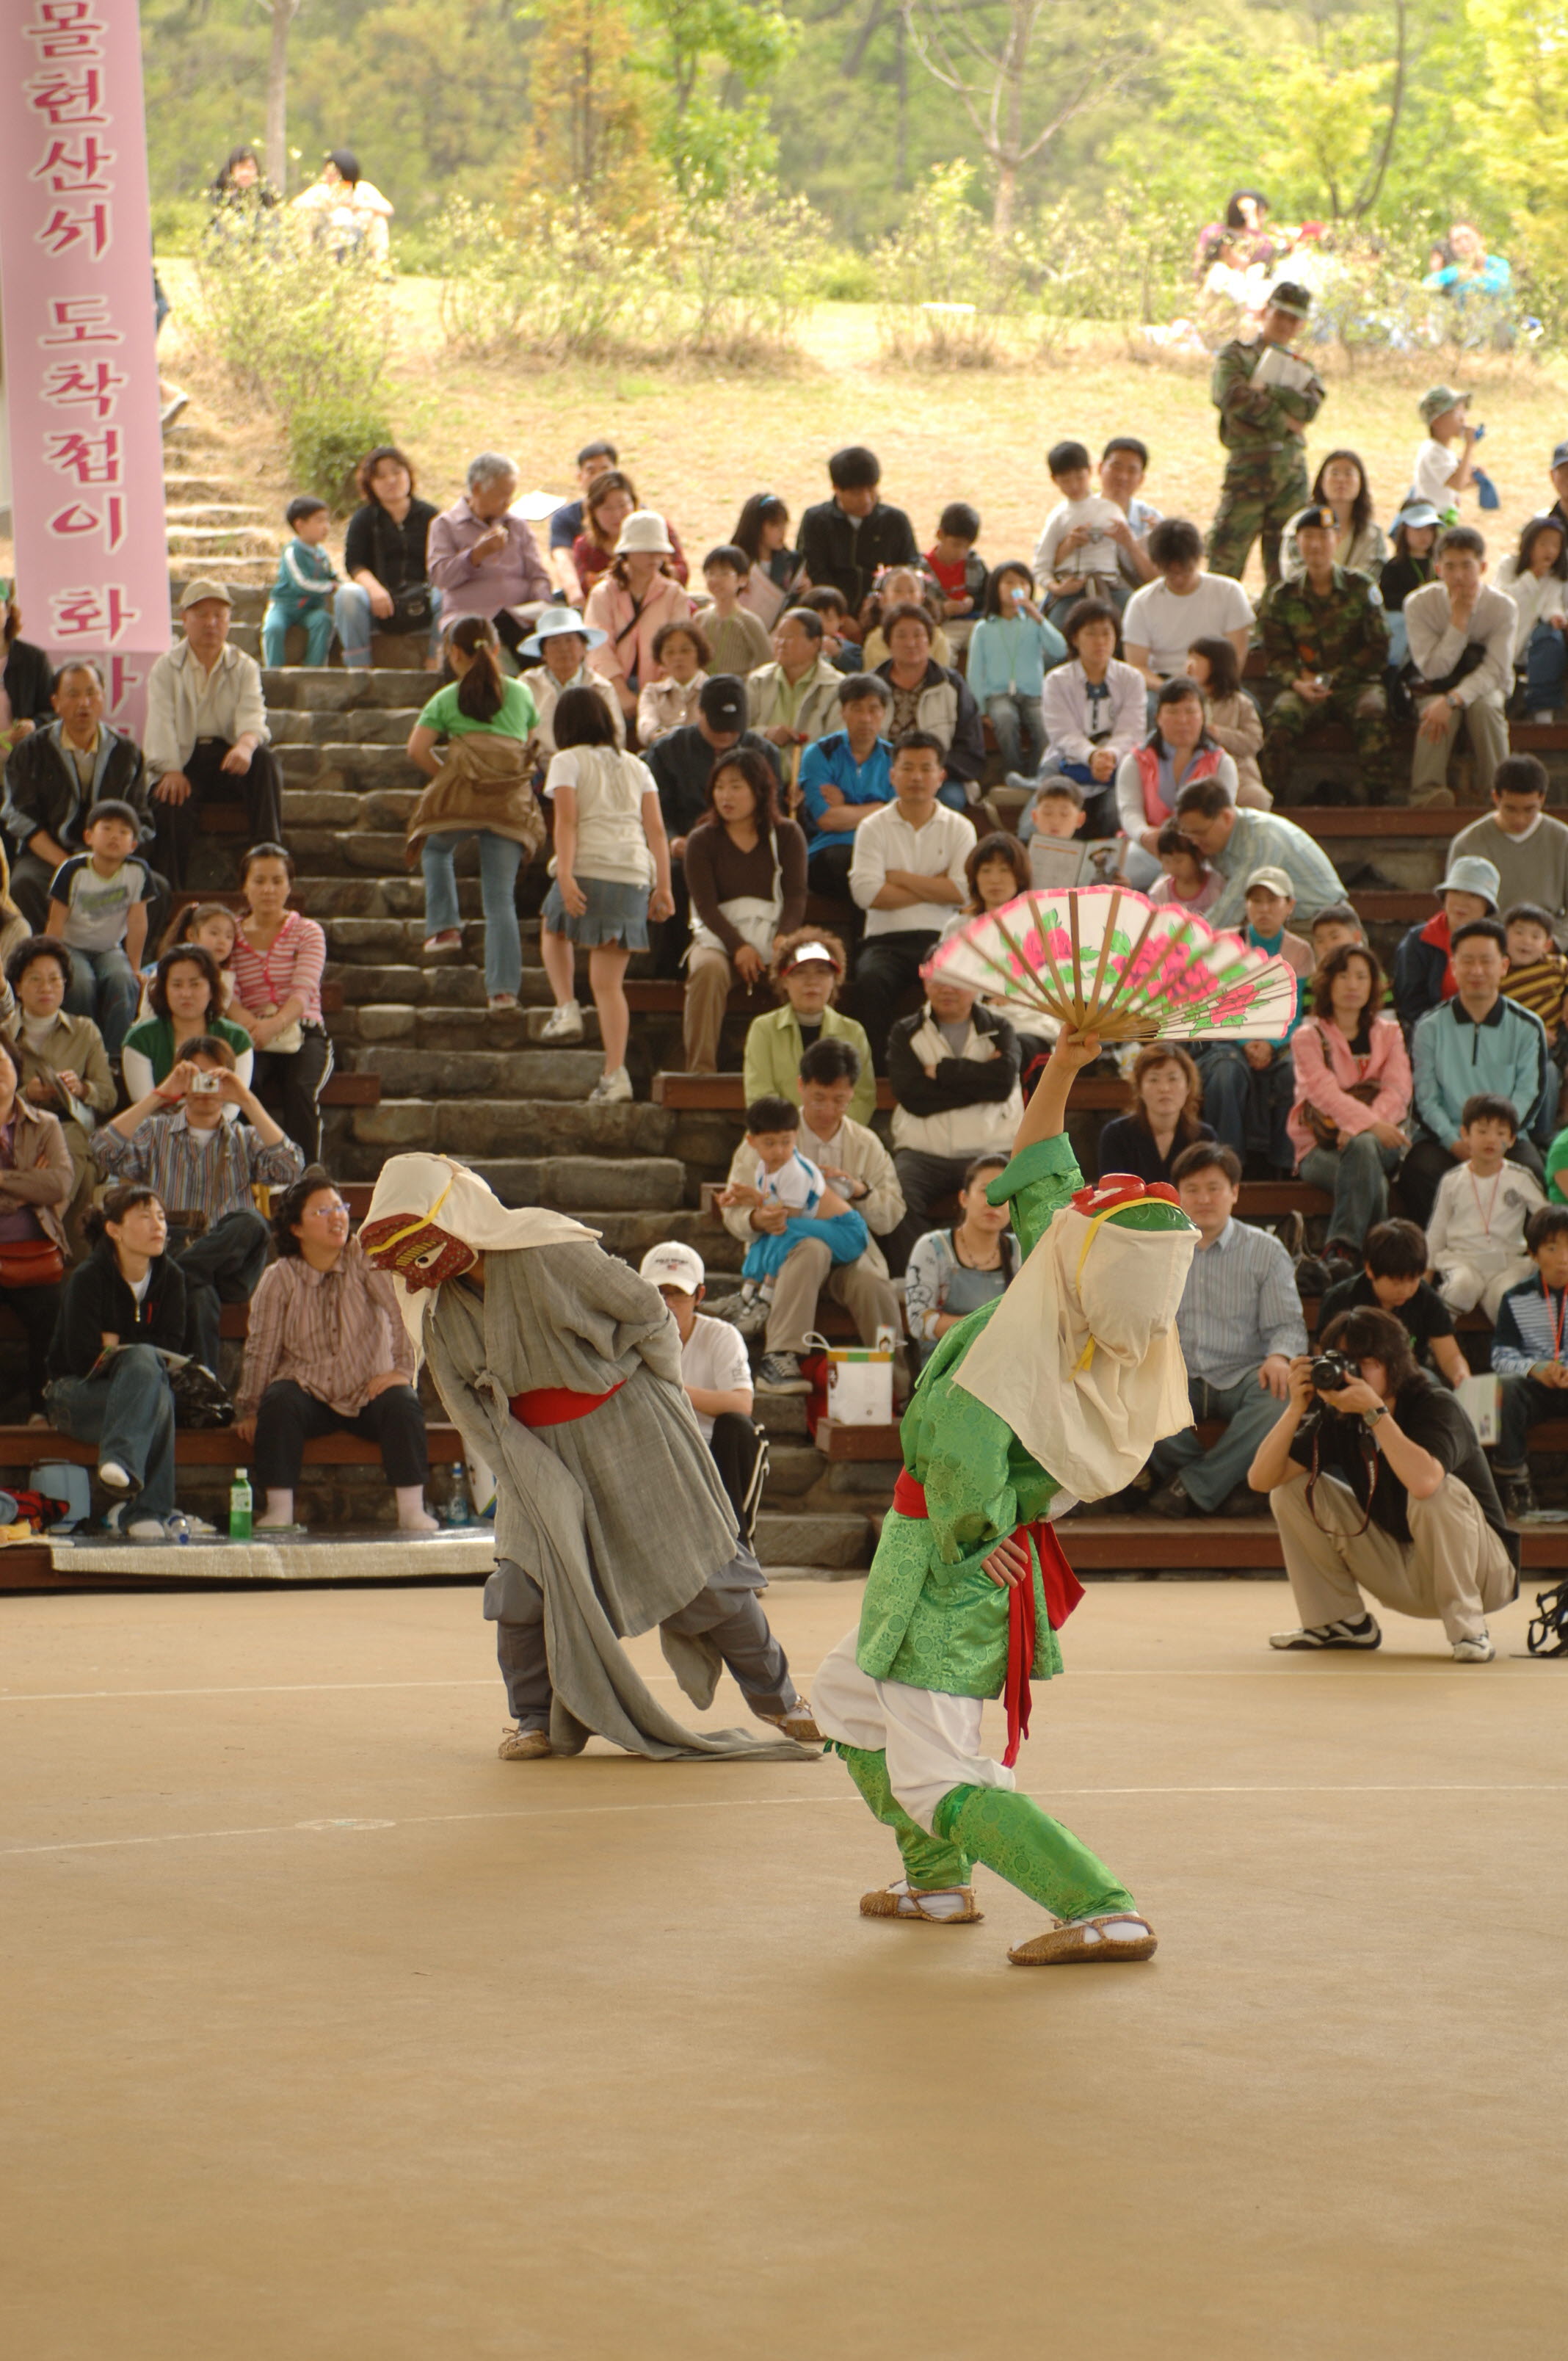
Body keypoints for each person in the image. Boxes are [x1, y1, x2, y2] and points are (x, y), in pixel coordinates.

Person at [810, 1034, 1194, 1964]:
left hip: (958, 1559)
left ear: (1086, 1249)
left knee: (941, 1774)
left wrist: (980, 1542)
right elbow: (1039, 1166)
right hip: (954, 1547)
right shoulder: (1093, 1307)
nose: (1060, 1216)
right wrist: (1065, 1060)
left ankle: (1100, 1906)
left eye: (1078, 1218)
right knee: (845, 1699)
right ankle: (938, 1884)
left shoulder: (1024, 1348)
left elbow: (964, 1483)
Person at [360, 1154, 820, 1759]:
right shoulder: (441, 1309)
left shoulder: (548, 1248)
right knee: (521, 1585)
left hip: (630, 1427)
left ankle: (783, 1701)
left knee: (705, 1577)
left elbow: (650, 1313)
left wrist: (664, 1407)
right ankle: (534, 1719)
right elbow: (465, 1401)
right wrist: (516, 1466)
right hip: (535, 1453)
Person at [1251, 1306, 1514, 1664]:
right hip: (1407, 1570)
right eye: (1345, 1360)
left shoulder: (1435, 1404)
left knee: (1435, 1492)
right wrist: (1296, 1407)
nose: (1356, 1372)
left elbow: (1424, 1483)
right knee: (1292, 1490)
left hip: (1483, 1575)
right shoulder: (1339, 1416)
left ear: (1396, 1362)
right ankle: (1339, 1623)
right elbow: (1262, 1480)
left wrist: (1376, 1414)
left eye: (1369, 1361)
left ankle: (1469, 1629)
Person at [234, 1168, 434, 1536]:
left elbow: (399, 1310)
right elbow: (261, 1348)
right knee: (277, 1401)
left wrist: (402, 1371)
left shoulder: (365, 1257)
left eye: (339, 1207)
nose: (337, 1217)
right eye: (322, 1211)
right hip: (308, 1391)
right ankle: (279, 1511)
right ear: (296, 1228)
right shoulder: (279, 1278)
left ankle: (411, 1511)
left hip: (366, 1389)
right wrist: (250, 1408)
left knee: (402, 1402)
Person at [94, 1035, 305, 1373]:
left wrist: (247, 1100)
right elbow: (103, 1149)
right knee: (199, 1294)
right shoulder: (156, 1132)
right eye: (197, 1076)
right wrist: (161, 1094)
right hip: (173, 1248)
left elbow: (292, 1167)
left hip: (231, 1266)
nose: (206, 1086)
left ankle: (166, 1279)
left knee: (251, 1220)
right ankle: (204, 1393)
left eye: (215, 1077)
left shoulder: (244, 1137)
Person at [1144, 1140, 1307, 1517]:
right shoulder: (1157, 1250)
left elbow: (1286, 1324)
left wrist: (1280, 1357)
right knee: (1131, 1390)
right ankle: (1219, 1483)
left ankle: (1190, 1486)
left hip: (1243, 1374)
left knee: (1281, 1395)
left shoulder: (1265, 1250)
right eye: (1193, 1190)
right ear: (1177, 1196)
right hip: (1177, 1374)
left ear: (1234, 1192)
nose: (1204, 1199)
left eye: (1214, 1188)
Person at [537, 687, 673, 1103]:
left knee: (552, 929)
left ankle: (566, 1008)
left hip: (589, 865)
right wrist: (663, 886)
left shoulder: (566, 760)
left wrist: (564, 872)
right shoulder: (637, 765)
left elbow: (567, 822)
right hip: (632, 874)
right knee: (609, 984)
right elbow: (656, 830)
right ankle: (616, 1075)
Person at [405, 617, 540, 1017]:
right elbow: (531, 742)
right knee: (500, 900)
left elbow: (416, 749)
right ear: (498, 650)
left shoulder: (447, 697)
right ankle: (502, 993)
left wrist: (449, 777)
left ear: (454, 654)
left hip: (463, 800)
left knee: (434, 846)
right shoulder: (521, 693)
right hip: (509, 807)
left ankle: (445, 927)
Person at [44, 1184, 190, 1539]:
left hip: (132, 1398)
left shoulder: (172, 1278)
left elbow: (173, 1344)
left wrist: (117, 1345)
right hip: (75, 1395)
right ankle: (144, 1507)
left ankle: (127, 1480)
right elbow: (81, 1358)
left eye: (161, 1216)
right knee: (147, 1372)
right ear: (114, 1230)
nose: (158, 1225)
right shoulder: (88, 1279)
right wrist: (134, 1354)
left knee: (154, 1386)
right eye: (144, 1217)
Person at [1401, 918, 1553, 1225]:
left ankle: (1513, 1262)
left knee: (1532, 1174)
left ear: (1504, 966)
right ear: (1453, 967)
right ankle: (1444, 1256)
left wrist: (1496, 1139)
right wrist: (1455, 1141)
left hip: (1506, 1139)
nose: (1477, 971)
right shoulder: (1430, 1027)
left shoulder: (1527, 1026)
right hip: (1447, 1139)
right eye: (1467, 961)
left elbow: (1530, 1093)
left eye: (1486, 961)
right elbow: (1425, 1098)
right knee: (1418, 1171)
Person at [142, 582, 284, 892]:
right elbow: (160, 723)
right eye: (202, 615)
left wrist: (246, 746)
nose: (211, 623)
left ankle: (269, 862)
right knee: (169, 802)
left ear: (229, 620)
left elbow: (253, 713)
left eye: (219, 615)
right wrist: (170, 769)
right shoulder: (166, 667)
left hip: (228, 758)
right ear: (184, 618)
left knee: (265, 762)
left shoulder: (243, 665)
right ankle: (170, 893)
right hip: (184, 760)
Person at [849, 735, 976, 1068]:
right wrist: (938, 884)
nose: (916, 777)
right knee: (869, 982)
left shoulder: (960, 827)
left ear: (941, 776)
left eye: (925, 768)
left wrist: (900, 878)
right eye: (907, 768)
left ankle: (946, 1070)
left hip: (940, 939)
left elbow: (963, 892)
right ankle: (876, 1076)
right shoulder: (872, 827)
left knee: (955, 982)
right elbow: (866, 894)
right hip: (883, 942)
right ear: (892, 775)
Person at [1, 660, 155, 932]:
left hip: (110, 857)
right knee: (23, 885)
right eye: (73, 695)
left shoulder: (126, 752)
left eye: (91, 693)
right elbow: (19, 816)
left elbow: (139, 818)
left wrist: (105, 860)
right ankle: (47, 959)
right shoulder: (31, 750)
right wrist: (68, 864)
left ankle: (117, 958)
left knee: (156, 888)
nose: (84, 703)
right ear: (56, 702)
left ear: (103, 698)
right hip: (48, 857)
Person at [681, 750, 807, 1075]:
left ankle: (797, 1072)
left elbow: (795, 897)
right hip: (720, 939)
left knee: (804, 972)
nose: (726, 796)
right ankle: (701, 1071)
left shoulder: (788, 835)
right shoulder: (701, 840)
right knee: (706, 970)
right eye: (720, 787)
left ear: (759, 790)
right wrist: (738, 947)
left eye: (736, 786)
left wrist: (783, 939)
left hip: (773, 934)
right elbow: (705, 906)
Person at [886, 973, 1023, 1273]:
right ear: (924, 981)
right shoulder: (905, 1031)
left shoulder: (1000, 1027)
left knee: (1024, 1195)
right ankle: (923, 1278)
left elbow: (1002, 1083)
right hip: (924, 1153)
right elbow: (913, 1097)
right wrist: (980, 1082)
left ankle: (1004, 1281)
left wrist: (944, 1073)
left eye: (957, 979)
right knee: (896, 1195)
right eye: (938, 980)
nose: (947, 989)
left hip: (991, 1150)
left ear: (976, 982)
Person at [1257, 504, 1393, 803]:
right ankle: (1274, 803)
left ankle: (1378, 802)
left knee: (1373, 711)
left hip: (1355, 684)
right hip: (1305, 687)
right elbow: (1276, 655)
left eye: (1323, 536)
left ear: (1337, 539)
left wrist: (1333, 678)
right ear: (1298, 542)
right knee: (1282, 716)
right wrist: (1297, 682)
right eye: (1307, 537)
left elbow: (1379, 647)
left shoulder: (1361, 587)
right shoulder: (1282, 596)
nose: (1315, 544)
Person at [1288, 940, 1412, 1263]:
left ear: (1374, 984)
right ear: (1328, 982)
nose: (1352, 984)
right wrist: (1365, 1127)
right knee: (1374, 1181)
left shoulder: (1390, 1032)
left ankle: (1340, 1253)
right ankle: (1378, 1260)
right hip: (1319, 1147)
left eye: (1361, 976)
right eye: (1343, 976)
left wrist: (1362, 1129)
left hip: (1383, 1140)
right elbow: (1322, 1092)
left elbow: (1398, 1091)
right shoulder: (1308, 1036)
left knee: (1363, 1149)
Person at [637, 1241, 765, 1542]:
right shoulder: (627, 1339)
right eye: (659, 1292)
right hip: (651, 1447)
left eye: (678, 1293)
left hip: (712, 1450)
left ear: (699, 1295)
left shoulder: (721, 1336)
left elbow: (742, 1402)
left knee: (740, 1429)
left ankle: (737, 1550)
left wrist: (671, 1388)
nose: (667, 1303)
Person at [1208, 284, 1325, 584]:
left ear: (1301, 325)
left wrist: (1268, 392)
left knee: (1287, 567)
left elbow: (1309, 408)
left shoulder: (1303, 368)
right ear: (1265, 312)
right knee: (1225, 560)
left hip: (1290, 477)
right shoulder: (1236, 355)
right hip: (1248, 471)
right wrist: (1285, 420)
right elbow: (1233, 398)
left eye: (1294, 320)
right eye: (1280, 315)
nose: (1285, 325)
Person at [223, 843, 333, 1161]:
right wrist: (252, 1027)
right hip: (251, 1033)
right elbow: (227, 993)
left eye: (277, 881)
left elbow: (304, 990)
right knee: (244, 1086)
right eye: (259, 881)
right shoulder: (230, 932)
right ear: (244, 885)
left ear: (289, 885)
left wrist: (275, 1024)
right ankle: (250, 1171)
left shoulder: (307, 932)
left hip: (302, 1029)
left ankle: (307, 1179)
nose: (268, 889)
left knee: (300, 1087)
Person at [7, 934, 115, 1250]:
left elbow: (108, 1096)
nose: (46, 987)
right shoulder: (5, 1033)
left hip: (71, 1126)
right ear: (17, 986)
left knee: (71, 1141)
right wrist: (28, 1094)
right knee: (71, 1161)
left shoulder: (85, 1030)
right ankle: (55, 1241)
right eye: (35, 979)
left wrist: (82, 1088)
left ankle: (45, 1222)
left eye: (55, 979)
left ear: (66, 985)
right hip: (17, 1127)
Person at [1404, 526, 1514, 810]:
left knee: (1486, 709)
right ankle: (1426, 794)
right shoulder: (1419, 604)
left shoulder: (1503, 608)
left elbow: (1495, 670)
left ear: (1483, 566)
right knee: (1436, 714)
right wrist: (1458, 622)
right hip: (1437, 685)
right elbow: (1432, 669)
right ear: (1438, 568)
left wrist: (1455, 699)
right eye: (1450, 566)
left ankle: (1502, 792)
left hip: (1485, 686)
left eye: (1467, 565)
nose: (1459, 575)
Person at [43, 800, 152, 1055]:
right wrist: (52, 961)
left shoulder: (137, 872)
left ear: (133, 844)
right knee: (80, 983)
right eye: (107, 828)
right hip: (71, 947)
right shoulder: (72, 869)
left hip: (109, 948)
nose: (115, 836)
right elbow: (55, 921)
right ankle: (83, 1051)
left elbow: (138, 922)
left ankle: (116, 1054)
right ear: (89, 836)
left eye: (124, 832)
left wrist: (134, 967)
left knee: (124, 981)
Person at [1425, 1092, 1544, 1321]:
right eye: (1482, 1131)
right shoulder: (1452, 1180)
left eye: (1500, 1133)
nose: (1491, 1139)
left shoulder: (1521, 1178)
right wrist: (1425, 1277)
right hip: (1464, 1261)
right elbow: (1437, 1230)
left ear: (1511, 1139)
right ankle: (1433, 1348)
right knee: (1461, 1286)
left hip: (1507, 1263)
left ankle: (1509, 1353)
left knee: (1507, 1297)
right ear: (1465, 1134)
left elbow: (1545, 1218)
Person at [0, 1032, 70, 1415]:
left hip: (34, 1254)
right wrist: (28, 1186)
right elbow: (42, 1186)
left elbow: (59, 1183)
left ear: (16, 1070)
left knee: (54, 1313)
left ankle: (42, 1412)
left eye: (1, 1062)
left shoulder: (46, 1124)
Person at [1023, 598, 1144, 817]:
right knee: (1042, 822)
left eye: (1106, 633)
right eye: (1091, 633)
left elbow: (1132, 730)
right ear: (1075, 638)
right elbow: (1062, 733)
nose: (1100, 641)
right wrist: (1091, 755)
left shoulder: (1132, 678)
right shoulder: (1056, 680)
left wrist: (1109, 755)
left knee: (1117, 815)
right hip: (1066, 765)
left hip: (1115, 766)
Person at [1174, 776, 1346, 931]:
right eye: (1189, 834)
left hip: (1321, 924)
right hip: (1277, 923)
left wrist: (1187, 939)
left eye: (1200, 833)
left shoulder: (1260, 838)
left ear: (1226, 816)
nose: (1195, 841)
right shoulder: (1215, 843)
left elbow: (1233, 906)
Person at [740, 932, 876, 1127]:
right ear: (784, 981)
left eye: (821, 972)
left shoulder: (853, 1032)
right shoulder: (763, 1029)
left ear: (835, 979)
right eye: (800, 972)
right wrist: (797, 1135)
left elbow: (863, 1098)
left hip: (839, 1140)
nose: (811, 981)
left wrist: (828, 1133)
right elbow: (759, 1096)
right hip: (779, 1140)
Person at [1116, 678, 1239, 888]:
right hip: (1148, 849)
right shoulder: (1136, 760)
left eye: (1191, 711)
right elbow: (1129, 811)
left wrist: (1194, 845)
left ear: (1203, 716)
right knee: (1120, 873)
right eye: (1173, 712)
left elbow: (1222, 816)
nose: (1183, 720)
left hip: (1200, 849)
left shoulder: (1222, 762)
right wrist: (1145, 836)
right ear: (1159, 717)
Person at [427, 454, 551, 659]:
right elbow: (440, 577)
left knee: (546, 647)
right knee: (474, 654)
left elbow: (538, 574)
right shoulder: (445, 525)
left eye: (511, 495)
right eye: (502, 495)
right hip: (470, 616)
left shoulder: (517, 525)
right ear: (477, 489)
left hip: (519, 616)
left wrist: (540, 603)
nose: (508, 503)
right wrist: (476, 555)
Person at [1319, 1218, 1467, 1389]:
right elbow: (1324, 1354)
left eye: (1413, 1280)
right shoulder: (1340, 1299)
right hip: (1355, 1377)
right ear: (1370, 1270)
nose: (1406, 1290)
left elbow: (1449, 1355)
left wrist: (1460, 1374)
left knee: (1430, 1385)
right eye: (1396, 1282)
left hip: (1410, 1376)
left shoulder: (1426, 1298)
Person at [1489, 1204, 1568, 1519]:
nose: (1563, 1257)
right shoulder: (1515, 1298)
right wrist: (1535, 1370)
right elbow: (1500, 1355)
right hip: (1537, 1389)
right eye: (1552, 1247)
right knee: (1505, 1388)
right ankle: (1515, 1482)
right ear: (1534, 1254)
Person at [904, 1152, 1020, 1363]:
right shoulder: (932, 1248)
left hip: (1003, 1366)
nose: (995, 1201)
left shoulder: (1020, 1250)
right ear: (964, 1198)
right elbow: (918, 1321)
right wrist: (983, 1327)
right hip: (945, 1369)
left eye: (1005, 1194)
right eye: (986, 1191)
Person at [335, 446, 441, 672]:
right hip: (380, 605)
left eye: (396, 472)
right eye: (381, 476)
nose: (391, 480)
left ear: (408, 474)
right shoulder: (364, 518)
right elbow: (354, 563)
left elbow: (444, 560)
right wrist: (374, 590)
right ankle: (360, 671)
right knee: (347, 595)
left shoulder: (431, 515)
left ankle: (436, 661)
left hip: (422, 601)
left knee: (450, 595)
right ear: (370, 484)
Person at [586, 512, 695, 730]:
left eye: (659, 551)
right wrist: (620, 692)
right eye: (647, 550)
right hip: (610, 689)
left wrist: (655, 696)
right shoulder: (603, 594)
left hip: (661, 692)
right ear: (627, 552)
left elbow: (679, 647)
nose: (655, 558)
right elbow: (597, 646)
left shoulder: (674, 595)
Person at [871, 605, 984, 811]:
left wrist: (931, 772)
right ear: (889, 643)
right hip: (882, 775)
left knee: (949, 800)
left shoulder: (952, 685)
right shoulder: (871, 686)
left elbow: (970, 747)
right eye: (901, 636)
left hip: (940, 776)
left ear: (930, 641)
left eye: (918, 635)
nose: (911, 643)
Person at [1122, 518, 1255, 689]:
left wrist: (1210, 689)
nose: (1178, 579)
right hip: (1164, 684)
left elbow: (1236, 656)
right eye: (1170, 574)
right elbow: (1137, 666)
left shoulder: (1229, 592)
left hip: (1217, 683)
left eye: (1185, 572)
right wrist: (1169, 690)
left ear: (1198, 559)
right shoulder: (1141, 602)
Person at [1449, 754, 1568, 943]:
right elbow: (1460, 912)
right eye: (1510, 809)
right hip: (1491, 944)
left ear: (1542, 799)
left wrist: (1554, 942)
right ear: (1495, 797)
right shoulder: (1468, 843)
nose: (1520, 820)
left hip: (1548, 943)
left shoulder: (1563, 840)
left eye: (1529, 810)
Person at [796, 674, 895, 900]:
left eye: (873, 709)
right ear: (843, 712)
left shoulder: (895, 758)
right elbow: (827, 820)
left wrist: (846, 807)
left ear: (884, 713)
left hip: (882, 850)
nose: (866, 718)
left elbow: (900, 817)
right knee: (853, 864)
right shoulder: (820, 753)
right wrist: (880, 807)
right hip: (828, 852)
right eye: (857, 709)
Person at [964, 562, 1064, 777]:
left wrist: (1039, 618)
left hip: (1033, 695)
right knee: (1005, 719)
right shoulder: (984, 628)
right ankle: (1014, 771)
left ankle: (1038, 774)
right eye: (1008, 582)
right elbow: (974, 671)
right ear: (995, 588)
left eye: (1022, 583)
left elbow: (1060, 649)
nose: (1016, 587)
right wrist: (981, 709)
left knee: (1043, 725)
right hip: (998, 695)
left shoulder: (1033, 623)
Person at [120, 943, 253, 1100]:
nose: (186, 994)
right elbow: (142, 1104)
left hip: (220, 1123)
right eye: (177, 985)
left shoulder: (237, 1038)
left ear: (212, 989)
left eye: (195, 984)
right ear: (164, 990)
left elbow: (235, 1103)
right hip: (157, 1124)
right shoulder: (140, 1038)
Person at [798, 447, 919, 615]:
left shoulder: (896, 521)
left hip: (884, 613)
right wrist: (842, 617)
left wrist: (879, 604)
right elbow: (815, 572)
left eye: (871, 490)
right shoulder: (816, 521)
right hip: (831, 615)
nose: (867, 499)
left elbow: (909, 569)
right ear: (836, 488)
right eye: (857, 493)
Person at [1392, 854, 1501, 1037]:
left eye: (1473, 895)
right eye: (1456, 892)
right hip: (1432, 1035)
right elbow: (1411, 1005)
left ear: (1487, 906)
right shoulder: (1418, 941)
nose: (1462, 902)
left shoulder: (1498, 943)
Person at [747, 608, 846, 797]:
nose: (781, 643)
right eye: (778, 636)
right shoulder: (758, 680)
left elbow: (838, 744)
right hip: (759, 784)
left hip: (816, 786)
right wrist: (766, 733)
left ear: (815, 643)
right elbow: (739, 732)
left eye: (790, 637)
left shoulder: (836, 686)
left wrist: (811, 781)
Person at [1031, 440, 1129, 625]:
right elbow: (1041, 566)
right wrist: (1058, 589)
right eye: (1066, 480)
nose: (1074, 485)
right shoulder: (1058, 517)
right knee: (1057, 639)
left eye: (1079, 477)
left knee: (1134, 622)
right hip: (1071, 591)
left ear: (1090, 471)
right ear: (1055, 480)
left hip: (1110, 586)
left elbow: (1126, 557)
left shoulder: (1110, 510)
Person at [1095, 1043, 1214, 1185]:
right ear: (1139, 1088)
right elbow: (1112, 1194)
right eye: (1154, 1080)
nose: (1164, 1088)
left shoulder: (1204, 1137)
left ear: (1188, 1086)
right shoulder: (1116, 1135)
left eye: (1173, 1079)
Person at [515, 606, 623, 758]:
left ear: (584, 647)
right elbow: (518, 733)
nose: (563, 648)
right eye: (554, 642)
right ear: (543, 653)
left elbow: (616, 737)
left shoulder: (601, 687)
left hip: (590, 767)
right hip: (540, 767)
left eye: (570, 640)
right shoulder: (527, 684)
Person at [1493, 514, 1568, 722]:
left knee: (1550, 639)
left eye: (1556, 545)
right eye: (1544, 543)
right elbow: (1502, 598)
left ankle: (1543, 706)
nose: (1550, 551)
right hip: (1508, 635)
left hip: (1536, 641)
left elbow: (1553, 603)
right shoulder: (1509, 565)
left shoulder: (1555, 577)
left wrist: (1556, 617)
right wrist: (1531, 576)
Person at [573, 471, 690, 595]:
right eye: (607, 508)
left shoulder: (659, 528)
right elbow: (584, 586)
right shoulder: (585, 546)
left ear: (634, 504)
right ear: (594, 513)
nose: (617, 515)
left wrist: (654, 571)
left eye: (622, 505)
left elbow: (682, 572)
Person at [1282, 451, 1386, 581]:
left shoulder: (1372, 534)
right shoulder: (1299, 524)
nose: (1341, 480)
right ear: (1321, 481)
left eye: (1349, 474)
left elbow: (1370, 580)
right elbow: (1293, 573)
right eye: (1334, 473)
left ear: (1361, 483)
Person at [1185, 637, 1266, 802]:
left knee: (1255, 797)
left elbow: (1254, 741)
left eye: (1197, 659)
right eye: (1189, 658)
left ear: (1217, 664)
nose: (1189, 665)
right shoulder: (1184, 701)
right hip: (1191, 771)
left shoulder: (1240, 703)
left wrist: (1219, 733)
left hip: (1240, 773)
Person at [261, 497, 338, 668]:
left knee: (323, 621)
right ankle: (274, 671)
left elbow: (330, 575)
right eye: (319, 521)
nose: (326, 526)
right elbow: (300, 583)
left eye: (327, 520)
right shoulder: (291, 551)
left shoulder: (321, 554)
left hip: (310, 609)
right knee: (273, 628)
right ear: (300, 525)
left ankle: (314, 669)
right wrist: (330, 587)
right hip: (284, 606)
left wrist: (337, 582)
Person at [547, 438, 620, 601]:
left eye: (605, 469)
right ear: (580, 477)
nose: (599, 477)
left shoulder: (635, 512)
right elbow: (562, 558)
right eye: (591, 471)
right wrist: (576, 595)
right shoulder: (564, 518)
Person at [289, 149, 393, 262]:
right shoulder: (321, 190)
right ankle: (306, 261)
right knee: (304, 218)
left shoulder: (363, 188)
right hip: (327, 229)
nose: (328, 176)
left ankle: (380, 264)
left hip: (356, 228)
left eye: (334, 173)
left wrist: (359, 205)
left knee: (378, 219)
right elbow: (296, 204)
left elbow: (388, 209)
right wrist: (324, 205)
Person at [1379, 501, 1441, 677]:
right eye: (1418, 530)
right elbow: (1387, 599)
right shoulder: (1394, 566)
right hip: (1406, 624)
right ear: (1404, 531)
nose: (1425, 536)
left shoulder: (1441, 565)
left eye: (1429, 530)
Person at [1500, 901, 1568, 1055]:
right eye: (1519, 933)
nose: (1527, 941)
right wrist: (1533, 1032)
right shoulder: (1500, 973)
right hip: (1522, 1042)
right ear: (1504, 937)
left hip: (1560, 1035)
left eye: (1535, 936)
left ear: (1547, 945)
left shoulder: (1556, 964)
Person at [732, 492, 806, 630]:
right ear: (755, 527)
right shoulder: (735, 561)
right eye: (774, 526)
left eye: (784, 524)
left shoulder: (791, 563)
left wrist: (806, 590)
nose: (782, 531)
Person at [695, 547, 772, 677]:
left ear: (742, 580)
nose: (715, 579)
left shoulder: (749, 622)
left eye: (724, 573)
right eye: (710, 573)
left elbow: (766, 666)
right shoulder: (699, 619)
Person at [923, 501, 987, 650]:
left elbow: (988, 594)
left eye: (966, 547)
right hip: (943, 626)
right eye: (956, 545)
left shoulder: (974, 564)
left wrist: (972, 601)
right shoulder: (923, 571)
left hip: (975, 622)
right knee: (942, 648)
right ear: (940, 535)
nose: (961, 553)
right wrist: (942, 609)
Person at [636, 620, 709, 746]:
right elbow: (646, 724)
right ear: (661, 658)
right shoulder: (652, 691)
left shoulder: (714, 689)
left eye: (685, 650)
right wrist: (657, 735)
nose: (677, 657)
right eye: (670, 652)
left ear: (699, 653)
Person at [1409, 386, 1477, 515]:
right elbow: (1456, 483)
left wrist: (1474, 480)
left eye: (1464, 414)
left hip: (1444, 516)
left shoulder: (1443, 451)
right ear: (1436, 422)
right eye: (1457, 414)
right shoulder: (1433, 452)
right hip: (1432, 520)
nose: (1463, 420)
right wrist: (1469, 446)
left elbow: (1458, 482)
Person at [1147, 819, 1222, 914]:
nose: (1173, 867)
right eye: (1167, 861)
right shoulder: (1160, 892)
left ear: (1198, 854)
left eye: (1179, 861)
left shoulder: (1216, 884)